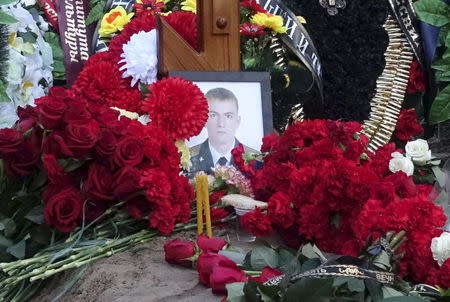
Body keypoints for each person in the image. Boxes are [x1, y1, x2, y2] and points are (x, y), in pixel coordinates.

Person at [189, 87, 258, 176]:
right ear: (204, 120)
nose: (221, 123)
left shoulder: (256, 160)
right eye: (213, 115)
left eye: (228, 116)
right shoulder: (187, 159)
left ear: (237, 121)